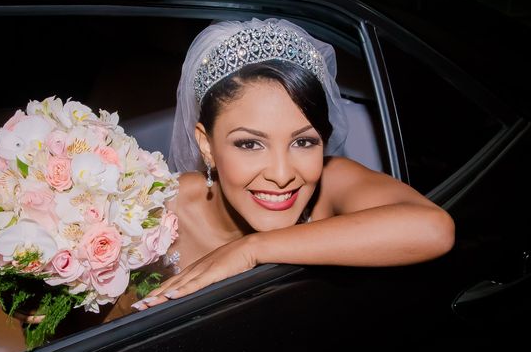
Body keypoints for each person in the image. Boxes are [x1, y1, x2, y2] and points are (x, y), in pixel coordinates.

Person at [132, 17, 455, 311]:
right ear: (207, 144)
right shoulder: (152, 209)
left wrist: (252, 248)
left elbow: (433, 228)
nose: (283, 174)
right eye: (250, 144)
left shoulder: (331, 183)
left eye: (303, 142)